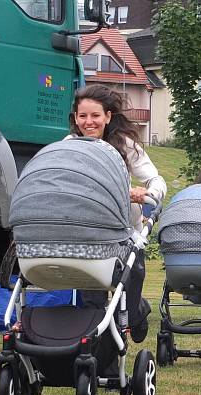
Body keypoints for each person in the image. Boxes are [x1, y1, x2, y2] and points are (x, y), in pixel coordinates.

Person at [67, 84, 166, 342]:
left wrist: (145, 194)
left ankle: (138, 311)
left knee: (129, 300)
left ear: (108, 116)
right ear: (75, 118)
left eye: (95, 115)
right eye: (82, 116)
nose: (89, 122)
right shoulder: (69, 146)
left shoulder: (125, 145)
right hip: (88, 234)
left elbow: (156, 180)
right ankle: (98, 350)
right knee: (92, 304)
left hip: (125, 233)